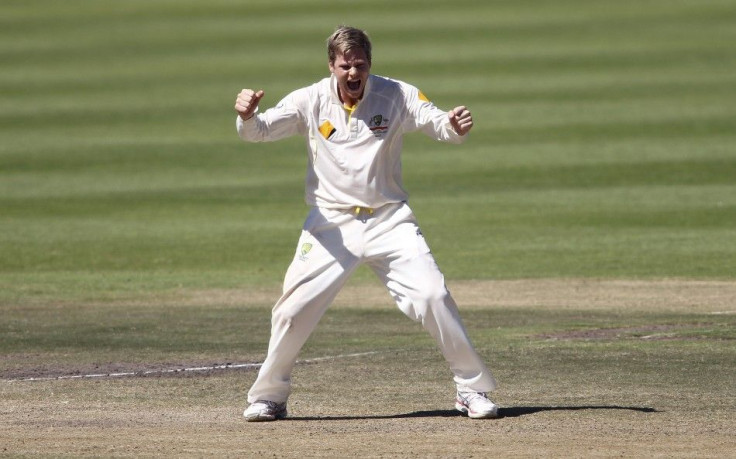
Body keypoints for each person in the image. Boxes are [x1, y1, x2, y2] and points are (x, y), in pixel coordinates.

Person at [234, 26, 499, 421]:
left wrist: (454, 126)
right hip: (330, 226)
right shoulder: (310, 99)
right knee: (293, 310)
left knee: (432, 295)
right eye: (345, 65)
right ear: (332, 66)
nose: (353, 73)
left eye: (360, 64)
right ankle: (270, 396)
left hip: (389, 220)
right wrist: (247, 114)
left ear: (369, 64)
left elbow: (437, 122)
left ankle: (471, 390)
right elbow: (260, 131)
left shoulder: (396, 94)